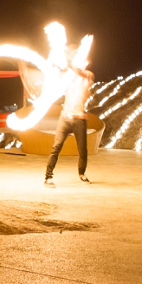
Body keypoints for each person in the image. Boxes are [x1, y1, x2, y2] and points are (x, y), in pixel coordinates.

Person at [34, 52, 94, 187]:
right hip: (65, 118)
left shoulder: (87, 76)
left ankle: (81, 174)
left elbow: (78, 71)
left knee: (82, 150)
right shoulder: (69, 78)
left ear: (86, 63)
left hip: (79, 119)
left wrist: (71, 61)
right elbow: (57, 74)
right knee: (56, 147)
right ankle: (48, 177)